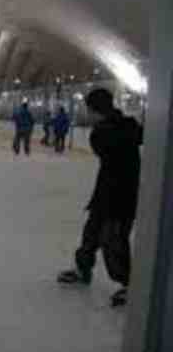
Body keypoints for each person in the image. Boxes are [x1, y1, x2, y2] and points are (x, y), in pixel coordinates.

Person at [57, 88, 142, 307]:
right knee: (91, 234)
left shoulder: (110, 131)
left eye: (90, 110)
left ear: (98, 110)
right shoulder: (122, 127)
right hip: (105, 194)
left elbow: (113, 145)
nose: (88, 114)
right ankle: (83, 269)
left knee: (113, 241)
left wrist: (115, 126)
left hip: (122, 198)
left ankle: (130, 285)